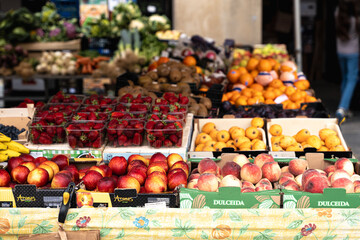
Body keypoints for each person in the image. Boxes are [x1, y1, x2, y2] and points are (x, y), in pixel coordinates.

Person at [335, 0, 360, 123]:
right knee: (351, 79)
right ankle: (342, 108)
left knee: (345, 78)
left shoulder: (337, 13)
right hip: (353, 52)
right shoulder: (356, 18)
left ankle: (346, 107)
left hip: (340, 51)